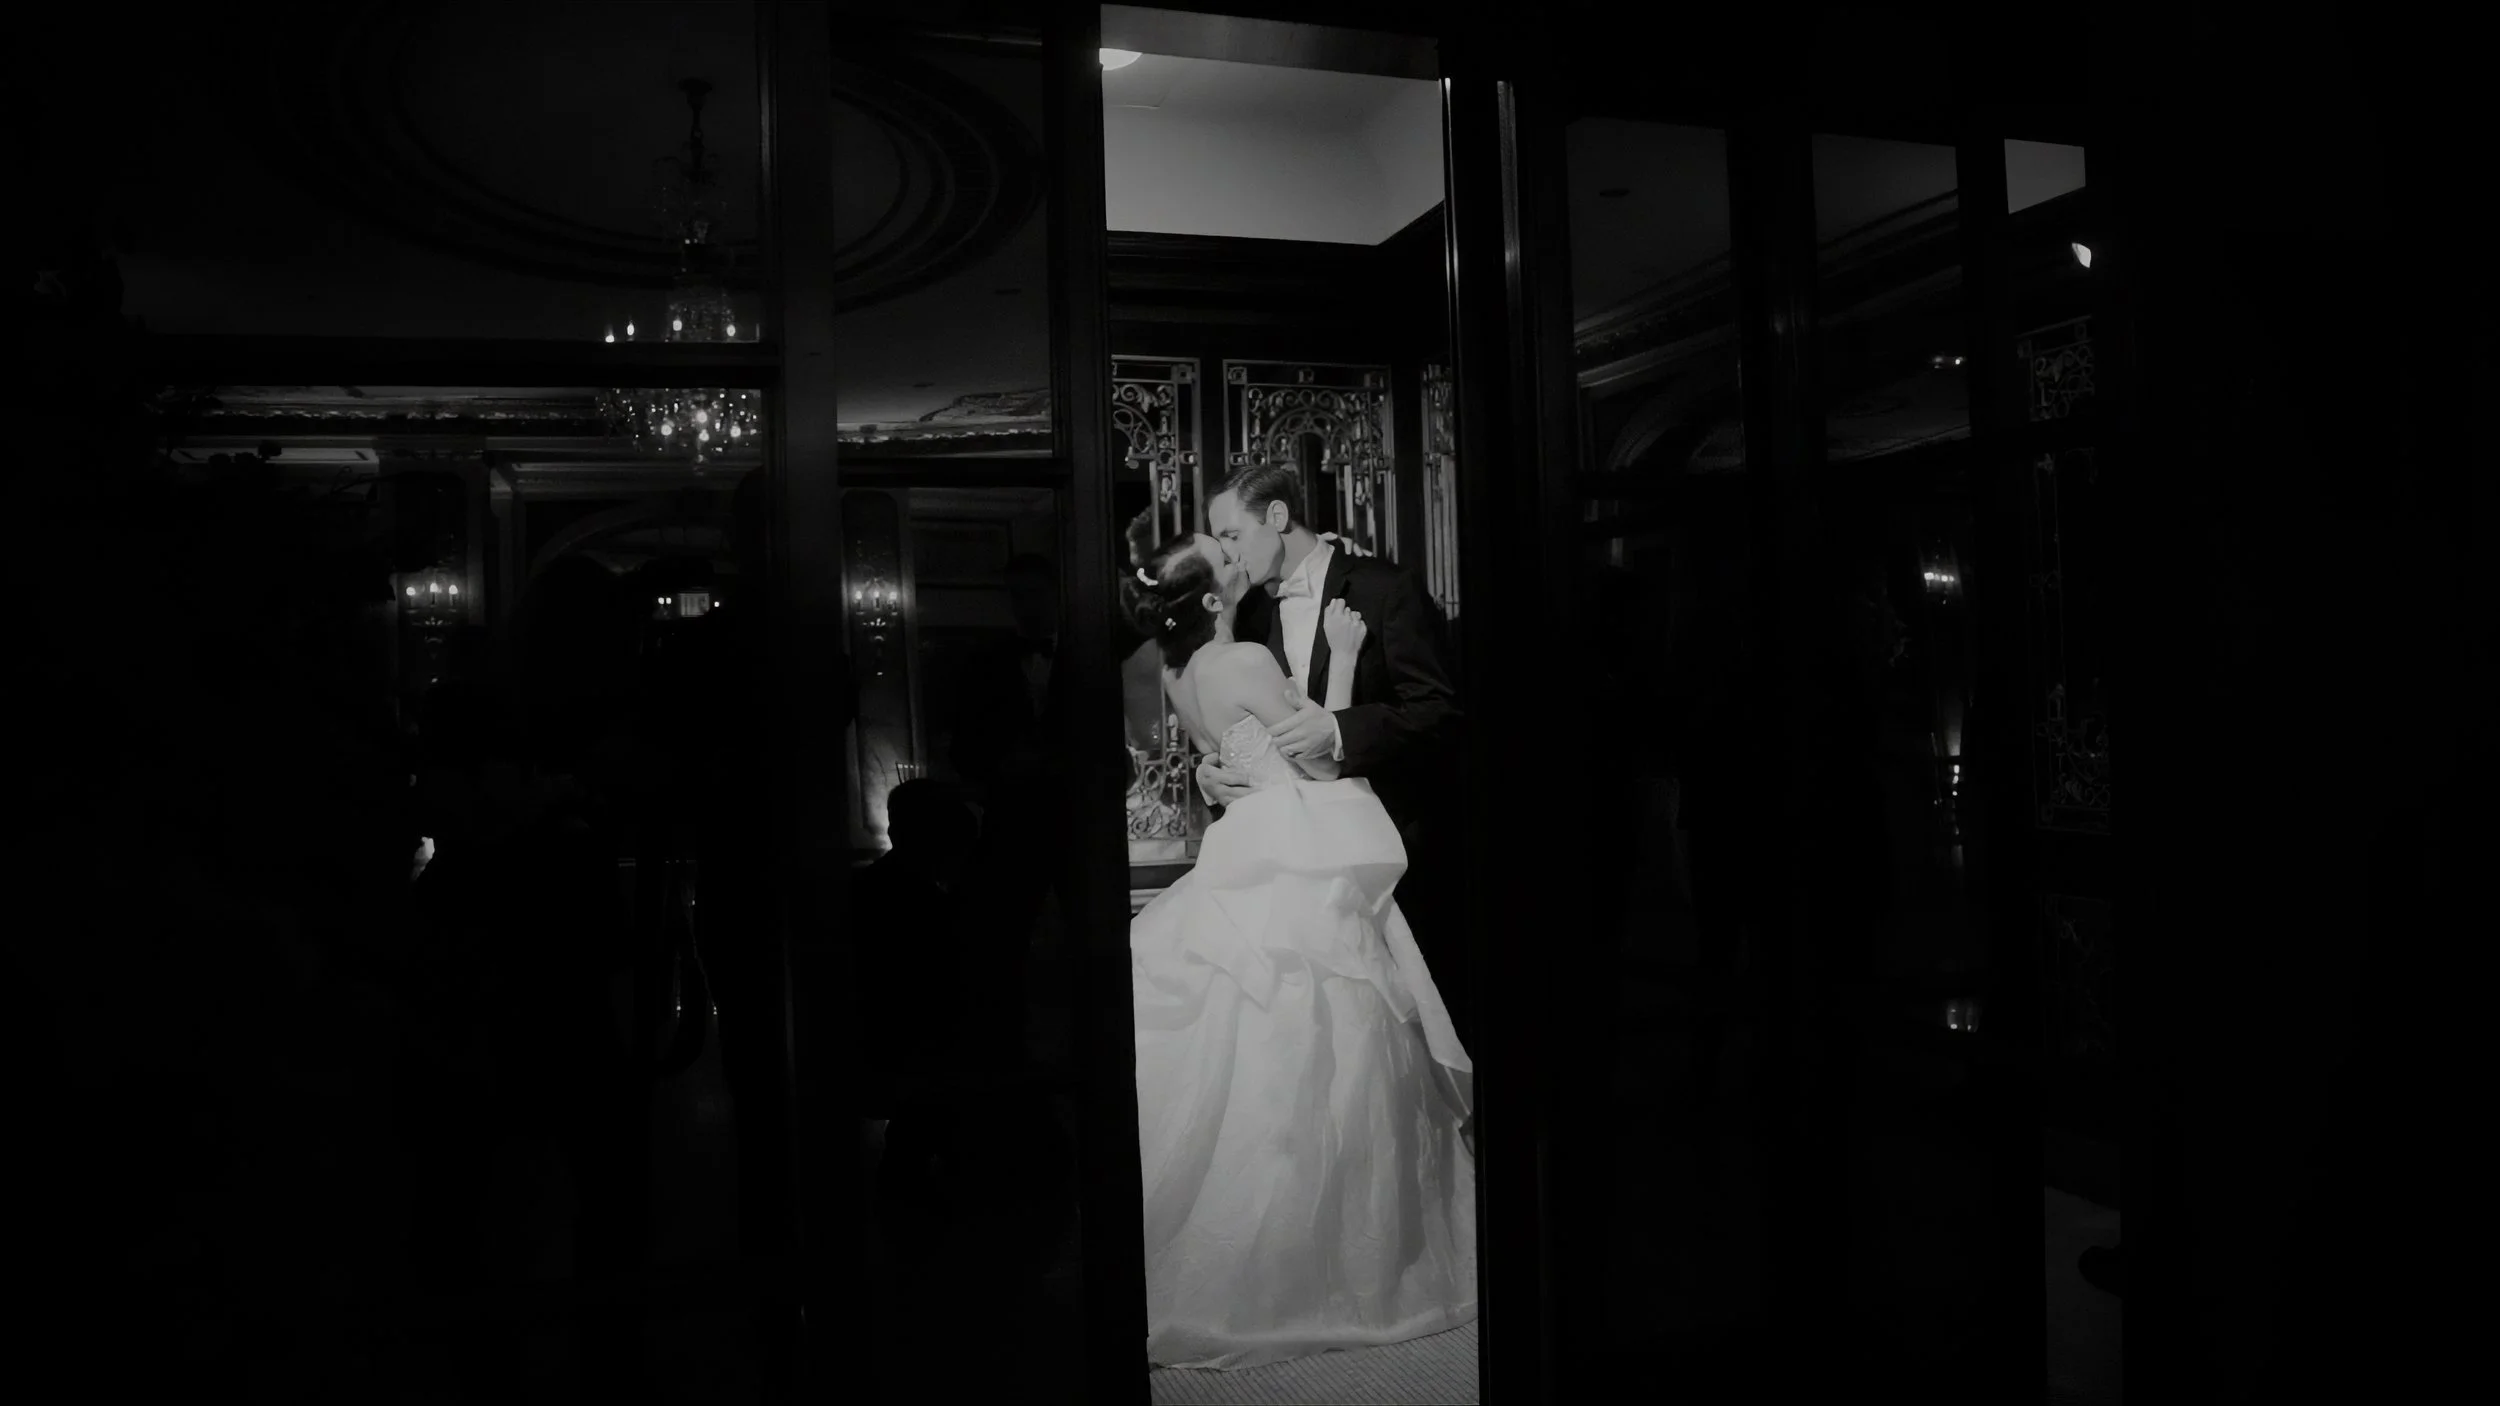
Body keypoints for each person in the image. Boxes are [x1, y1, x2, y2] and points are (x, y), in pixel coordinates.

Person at [1120, 508, 1477, 1371]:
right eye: (1221, 555)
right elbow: (1320, 759)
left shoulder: (1175, 672)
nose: (1236, 557)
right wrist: (1347, 662)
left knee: (1256, 1044)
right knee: (1328, 1039)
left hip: (1246, 851)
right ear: (1210, 600)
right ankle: (1326, 1264)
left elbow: (1234, 761)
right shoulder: (1243, 657)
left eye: (1228, 538)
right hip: (1296, 850)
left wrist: (1214, 770)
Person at [1194, 465, 1469, 1050]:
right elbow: (1242, 724)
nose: (1228, 554)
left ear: (1276, 516)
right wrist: (1211, 770)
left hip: (1388, 855)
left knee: (1402, 1037)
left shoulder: (1384, 588)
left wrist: (1340, 732)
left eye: (1232, 535)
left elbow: (1439, 711)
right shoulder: (1246, 613)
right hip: (1289, 872)